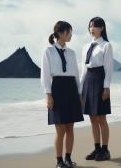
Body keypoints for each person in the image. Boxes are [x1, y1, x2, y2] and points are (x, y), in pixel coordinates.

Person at [41, 21, 84, 168]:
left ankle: (68, 159)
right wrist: (48, 94)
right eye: (69, 32)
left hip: (71, 89)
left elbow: (76, 75)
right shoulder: (48, 51)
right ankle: (59, 161)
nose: (71, 35)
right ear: (60, 33)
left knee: (70, 127)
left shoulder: (72, 53)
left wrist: (79, 93)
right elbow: (45, 75)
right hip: (57, 89)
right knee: (60, 129)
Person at [80, 17, 113, 161]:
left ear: (102, 28)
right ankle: (97, 148)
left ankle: (105, 150)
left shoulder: (106, 45)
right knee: (92, 118)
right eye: (90, 26)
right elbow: (83, 69)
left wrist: (106, 87)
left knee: (101, 118)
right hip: (88, 80)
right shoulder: (86, 46)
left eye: (94, 26)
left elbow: (109, 68)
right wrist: (80, 89)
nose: (91, 29)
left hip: (100, 80)